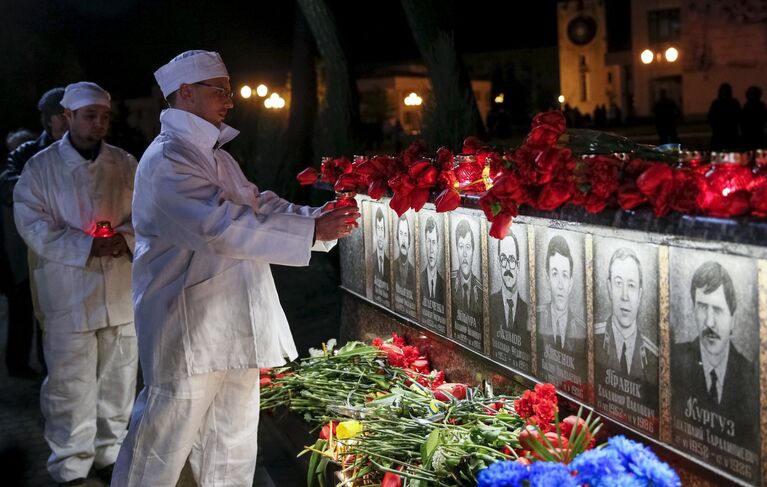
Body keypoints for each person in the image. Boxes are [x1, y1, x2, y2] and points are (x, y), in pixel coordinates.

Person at [112, 50, 357, 486]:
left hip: (235, 326)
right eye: (219, 90)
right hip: (188, 327)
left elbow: (258, 205)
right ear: (185, 93)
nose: (230, 99)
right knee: (159, 446)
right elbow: (217, 225)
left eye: (229, 89)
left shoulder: (216, 156)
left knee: (233, 445)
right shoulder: (169, 157)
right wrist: (309, 230)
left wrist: (315, 221)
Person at [13, 82, 138, 487]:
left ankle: (110, 452)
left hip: (120, 291)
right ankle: (70, 463)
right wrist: (86, 246)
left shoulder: (125, 164)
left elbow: (150, 213)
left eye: (104, 116)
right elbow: (32, 223)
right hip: (69, 292)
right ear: (67, 117)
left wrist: (127, 238)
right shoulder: (40, 168)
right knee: (70, 384)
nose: (99, 123)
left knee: (118, 380)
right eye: (90, 116)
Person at [0, 87, 68, 379]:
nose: (69, 122)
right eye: (62, 116)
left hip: (72, 252)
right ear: (48, 119)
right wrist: (45, 189)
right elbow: (7, 184)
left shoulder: (92, 152)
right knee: (28, 312)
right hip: (32, 251)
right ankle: (27, 368)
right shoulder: (29, 153)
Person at [671, 261, 757, 436]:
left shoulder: (751, 377)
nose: (709, 322)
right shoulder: (673, 361)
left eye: (717, 310)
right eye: (702, 307)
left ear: (732, 318)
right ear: (694, 311)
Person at [594, 248, 658, 386]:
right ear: (609, 288)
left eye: (631, 285)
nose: (625, 296)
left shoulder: (653, 358)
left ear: (640, 294)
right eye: (618, 283)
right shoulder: (593, 339)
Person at [537, 236, 585, 354]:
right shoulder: (535, 318)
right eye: (554, 274)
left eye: (564, 275)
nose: (560, 285)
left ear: (570, 283)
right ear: (548, 280)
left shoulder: (581, 329)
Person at [489, 233, 528, 332]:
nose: (507, 267)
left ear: (518, 266)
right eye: (503, 259)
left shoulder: (527, 310)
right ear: (499, 263)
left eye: (511, 260)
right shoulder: (490, 303)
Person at [452, 219, 482, 316]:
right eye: (461, 246)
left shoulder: (480, 291)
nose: (464, 254)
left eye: (468, 247)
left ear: (473, 250)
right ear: (456, 249)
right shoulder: (450, 283)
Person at [708, 83, 741, 150]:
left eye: (725, 91)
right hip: (719, 134)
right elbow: (711, 117)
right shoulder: (716, 103)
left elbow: (738, 116)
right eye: (723, 91)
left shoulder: (733, 103)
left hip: (731, 133)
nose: (724, 93)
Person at [420, 216, 444, 303]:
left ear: (438, 245)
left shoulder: (444, 285)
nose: (431, 249)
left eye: (433, 242)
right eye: (428, 241)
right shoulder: (419, 279)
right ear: (424, 243)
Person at [741, 85, 766, 150]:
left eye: (753, 93)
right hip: (749, 135)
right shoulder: (747, 106)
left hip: (755, 135)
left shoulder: (759, 106)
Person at [394, 215, 414, 291]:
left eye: (405, 234)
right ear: (397, 238)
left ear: (409, 240)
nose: (403, 240)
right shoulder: (392, 265)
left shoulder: (414, 272)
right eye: (401, 233)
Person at [372, 207, 389, 279]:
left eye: (382, 229)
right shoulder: (371, 259)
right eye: (378, 228)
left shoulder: (389, 262)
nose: (380, 234)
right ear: (375, 230)